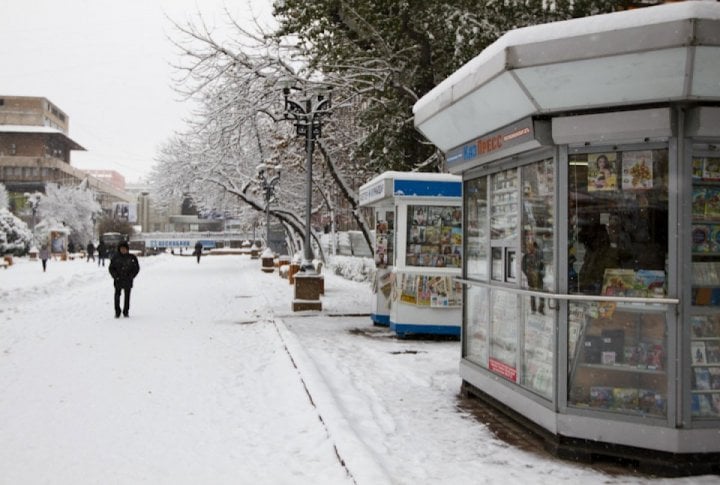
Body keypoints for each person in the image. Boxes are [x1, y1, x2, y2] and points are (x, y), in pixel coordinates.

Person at [109, 241, 140, 318]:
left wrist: (131, 276)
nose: (123, 250)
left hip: (128, 280)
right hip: (118, 280)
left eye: (124, 249)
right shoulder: (115, 258)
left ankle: (126, 311)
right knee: (117, 296)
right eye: (121, 248)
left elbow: (136, 268)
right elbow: (111, 268)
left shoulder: (132, 258)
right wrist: (115, 276)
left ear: (127, 249)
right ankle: (117, 311)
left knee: (127, 297)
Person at [522, 240, 545, 314]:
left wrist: (541, 274)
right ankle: (533, 309)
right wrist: (528, 274)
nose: (530, 248)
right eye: (529, 246)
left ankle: (541, 308)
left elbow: (543, 265)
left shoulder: (539, 255)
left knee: (541, 293)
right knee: (532, 294)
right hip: (531, 278)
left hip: (539, 277)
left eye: (531, 246)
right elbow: (523, 267)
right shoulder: (525, 256)